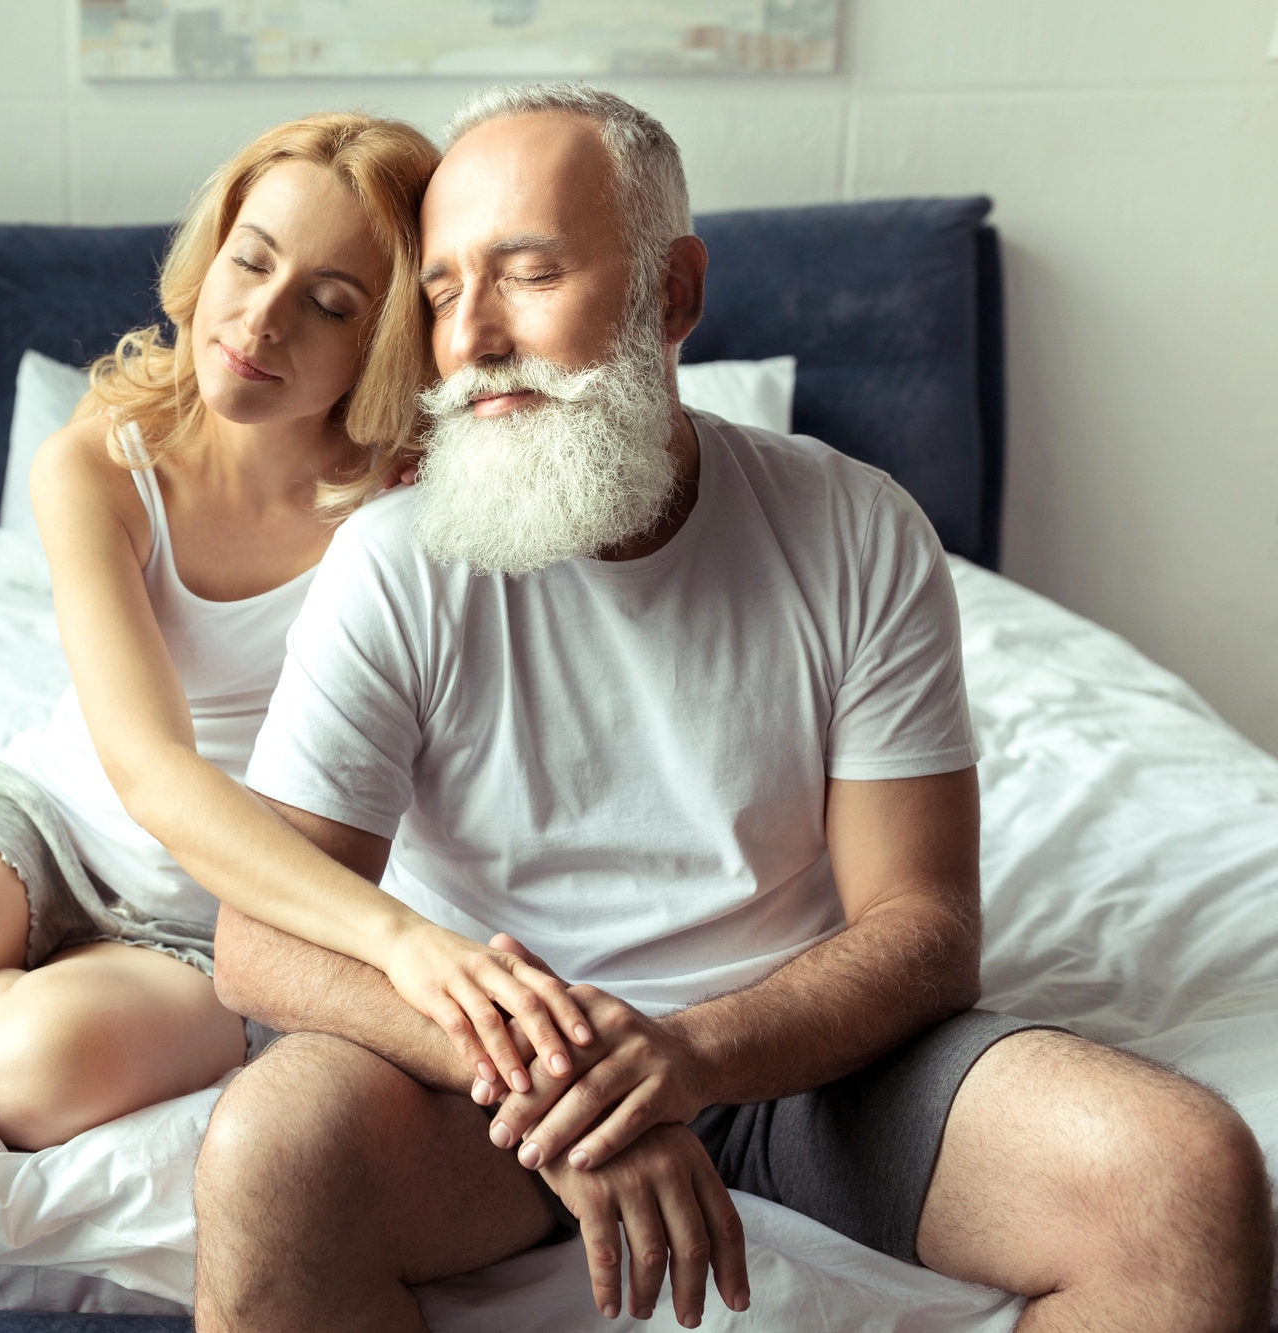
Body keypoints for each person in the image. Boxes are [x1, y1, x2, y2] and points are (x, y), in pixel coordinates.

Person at [192, 84, 1274, 1332]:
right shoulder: (391, 564)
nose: (474, 338)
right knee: (269, 1152)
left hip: (799, 1064)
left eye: (528, 273)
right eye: (440, 293)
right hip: (484, 1089)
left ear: (672, 293)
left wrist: (690, 1058)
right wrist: (576, 1090)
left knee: (1179, 1174)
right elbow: (260, 943)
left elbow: (922, 924)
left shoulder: (854, 527)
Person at [0, 112, 594, 1152]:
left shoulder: (417, 504)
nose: (260, 320)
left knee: (18, 1072)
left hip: (230, 917)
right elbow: (146, 769)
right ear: (208, 256)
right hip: (48, 826)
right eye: (248, 260)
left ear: (384, 339)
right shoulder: (97, 467)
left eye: (327, 303)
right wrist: (397, 940)